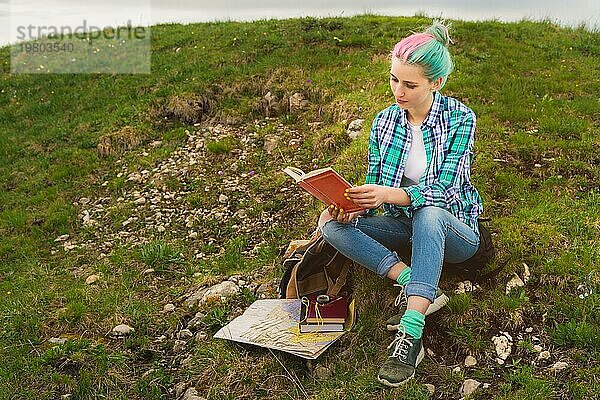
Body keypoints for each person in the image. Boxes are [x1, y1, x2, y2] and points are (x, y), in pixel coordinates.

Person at [317, 21, 484, 387]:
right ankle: (412, 279)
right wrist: (353, 204)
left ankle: (410, 332)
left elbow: (447, 188)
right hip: (403, 228)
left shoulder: (460, 118)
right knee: (329, 224)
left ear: (435, 83)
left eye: (410, 85)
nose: (399, 92)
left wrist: (389, 195)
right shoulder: (384, 121)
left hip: (455, 231)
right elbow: (377, 184)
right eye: (394, 80)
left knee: (430, 210)